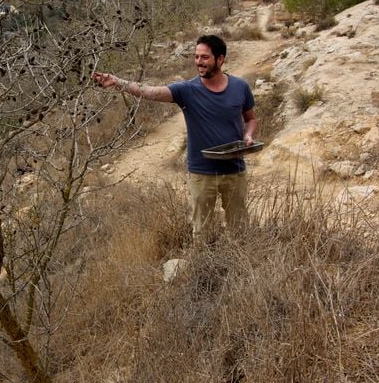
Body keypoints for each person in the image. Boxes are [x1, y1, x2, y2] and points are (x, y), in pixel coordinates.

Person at [93, 34, 258, 240]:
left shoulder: (240, 87)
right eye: (196, 57)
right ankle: (203, 270)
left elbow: (250, 118)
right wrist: (117, 81)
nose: (199, 62)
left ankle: (241, 269)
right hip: (202, 172)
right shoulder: (187, 90)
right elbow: (150, 92)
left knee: (240, 229)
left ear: (221, 59)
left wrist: (248, 135)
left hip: (235, 169)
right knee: (202, 233)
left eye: (205, 57)